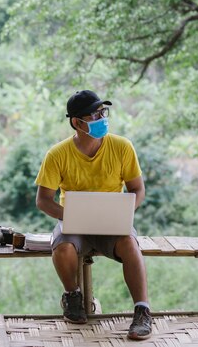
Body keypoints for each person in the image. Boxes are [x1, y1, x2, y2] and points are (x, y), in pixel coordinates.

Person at [34, 90, 151, 340]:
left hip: (112, 222)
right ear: (77, 123)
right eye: (95, 114)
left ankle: (142, 311)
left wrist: (125, 212)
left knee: (130, 243)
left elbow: (138, 189)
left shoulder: (122, 147)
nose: (102, 118)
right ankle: (73, 296)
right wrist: (73, 215)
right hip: (73, 222)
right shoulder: (57, 154)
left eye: (103, 112)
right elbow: (43, 201)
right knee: (62, 247)